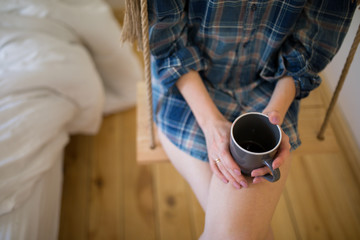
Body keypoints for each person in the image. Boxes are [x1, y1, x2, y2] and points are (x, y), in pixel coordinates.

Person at [147, 0, 356, 239]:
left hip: (271, 88)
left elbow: (311, 47)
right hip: (190, 89)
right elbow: (170, 44)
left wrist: (272, 116)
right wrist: (211, 124)